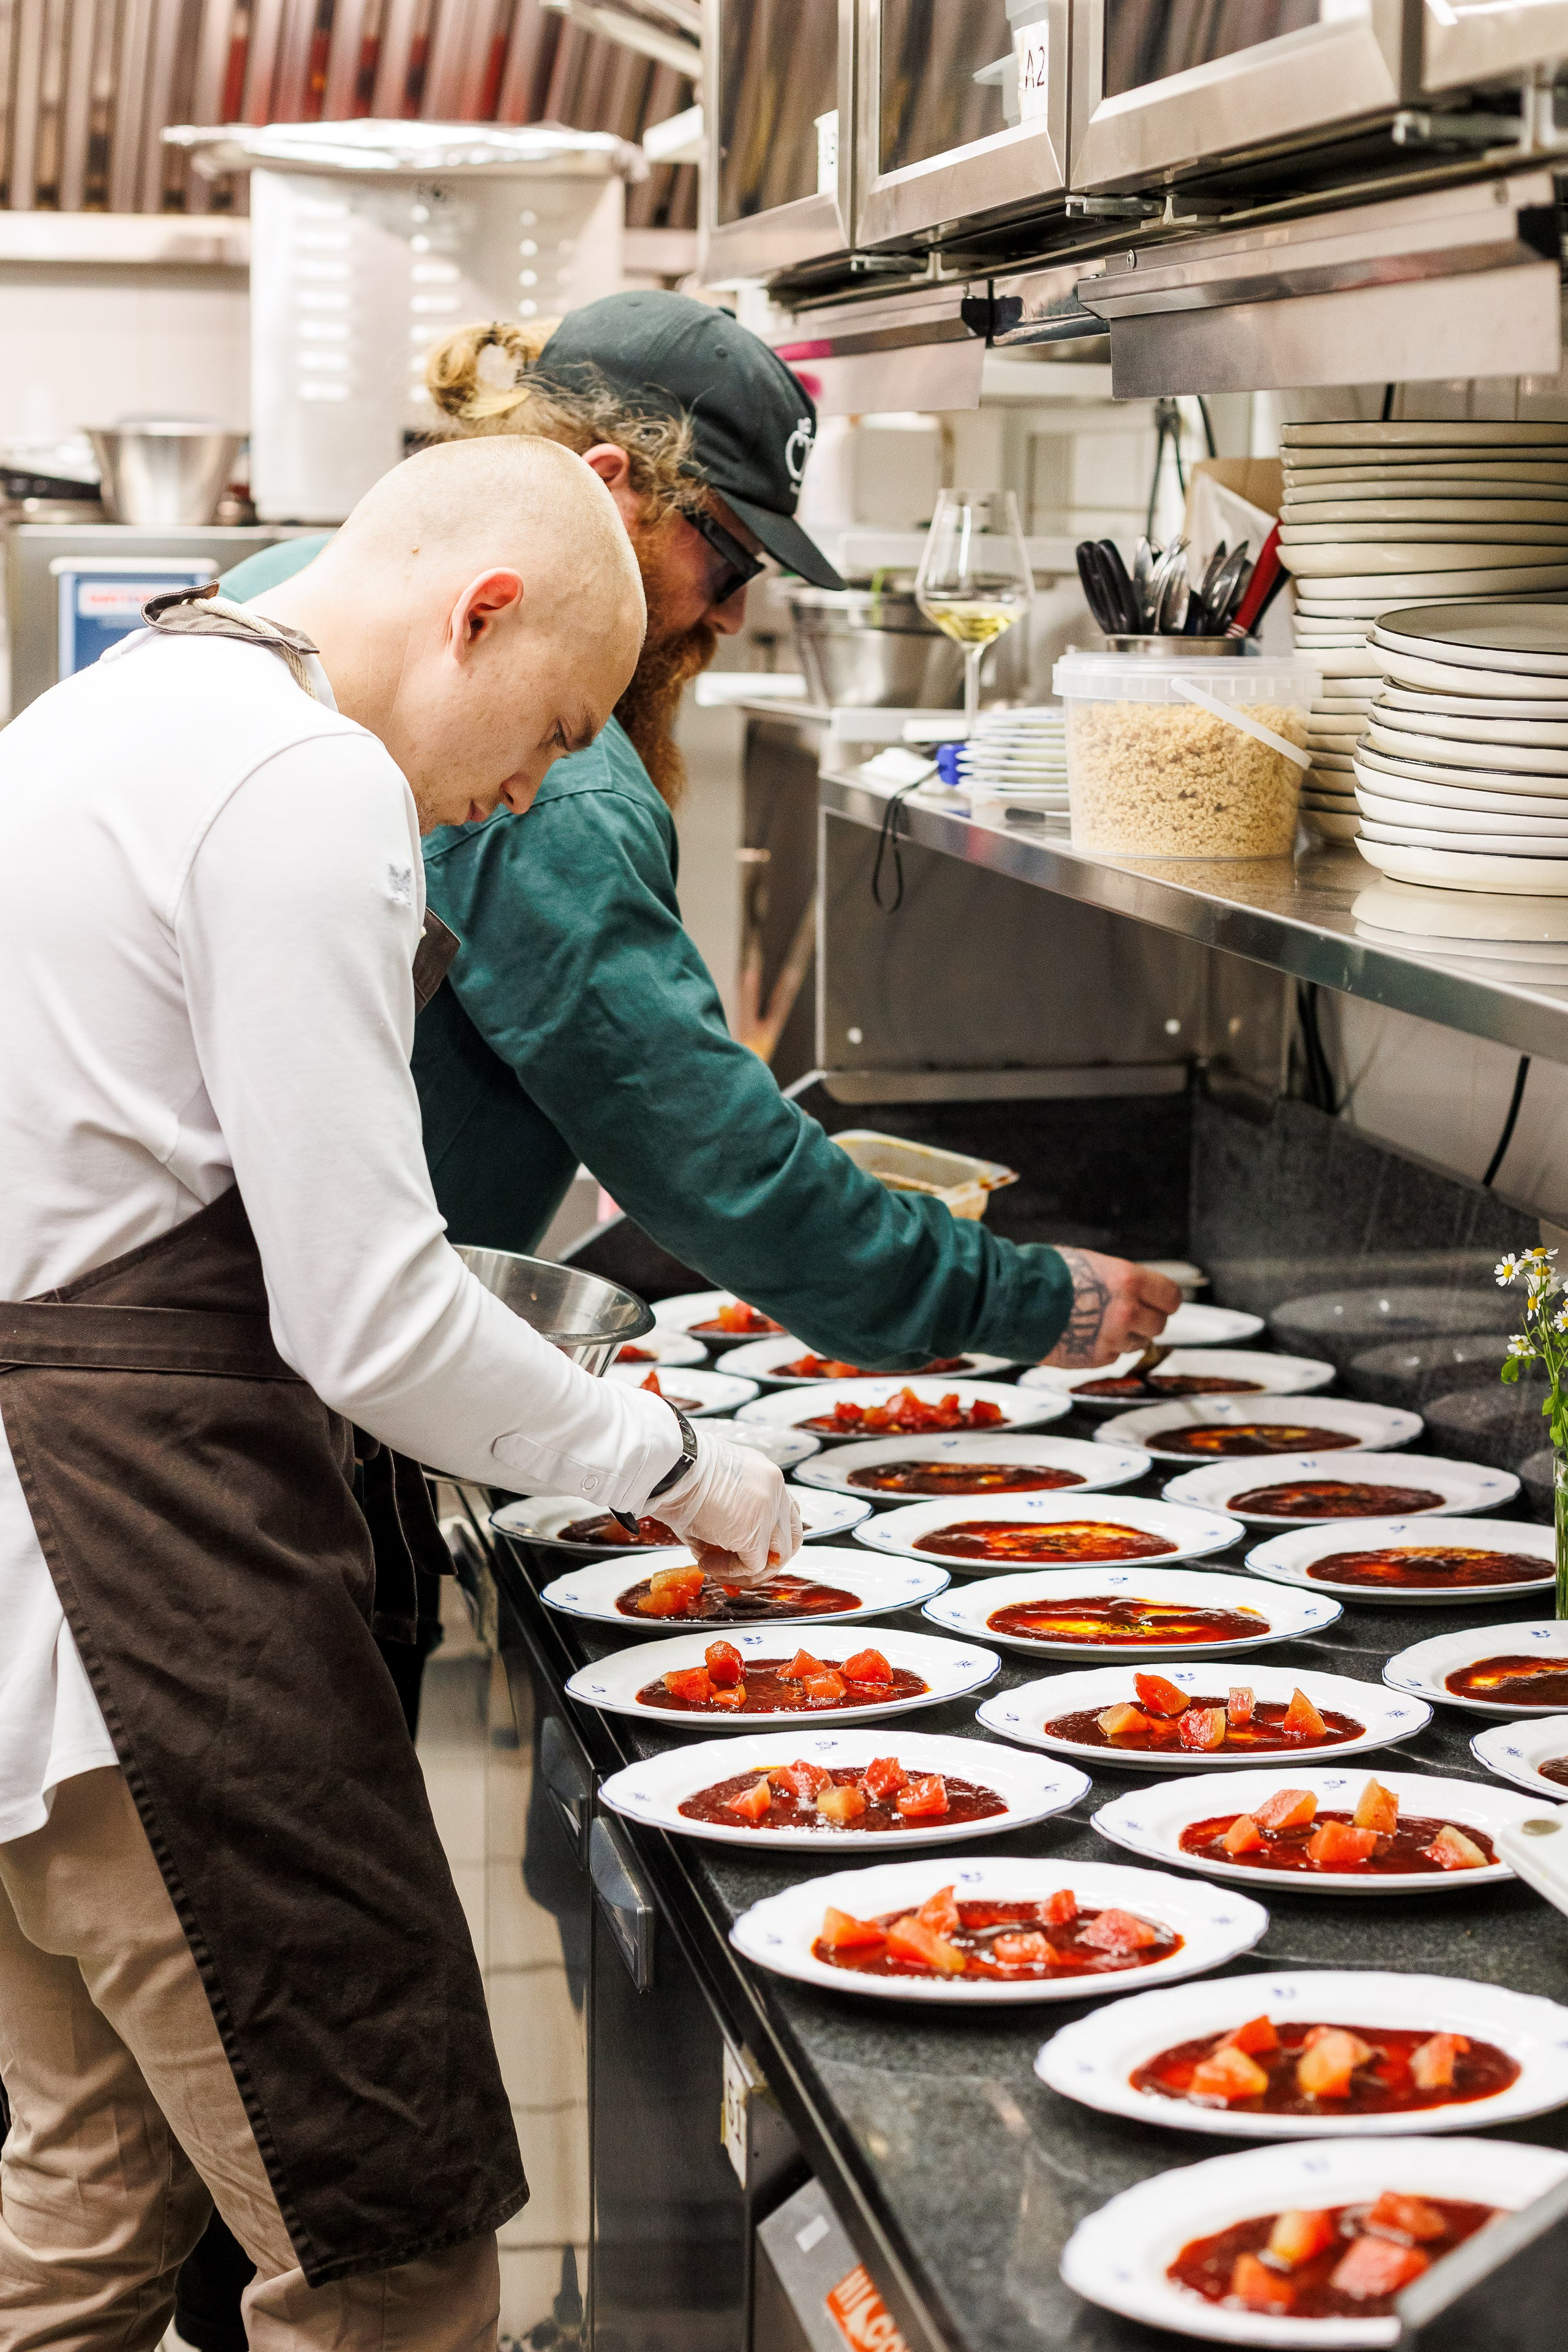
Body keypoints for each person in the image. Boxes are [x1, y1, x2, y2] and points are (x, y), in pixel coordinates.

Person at [0, 432, 798, 2352]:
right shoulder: (304, 779)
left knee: (87, 2225)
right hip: (149, 1626)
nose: (530, 785)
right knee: (392, 2260)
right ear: (482, 610)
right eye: (550, 726)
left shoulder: (108, 712)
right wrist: (683, 1467)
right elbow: (370, 1315)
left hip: (35, 1633)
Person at [223, 293, 1178, 1376]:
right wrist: (1020, 1299)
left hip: (242, 1321)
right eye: (728, 558)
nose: (732, 615)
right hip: (287, 1377)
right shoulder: (548, 775)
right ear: (612, 487)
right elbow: (706, 1151)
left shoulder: (301, 581)